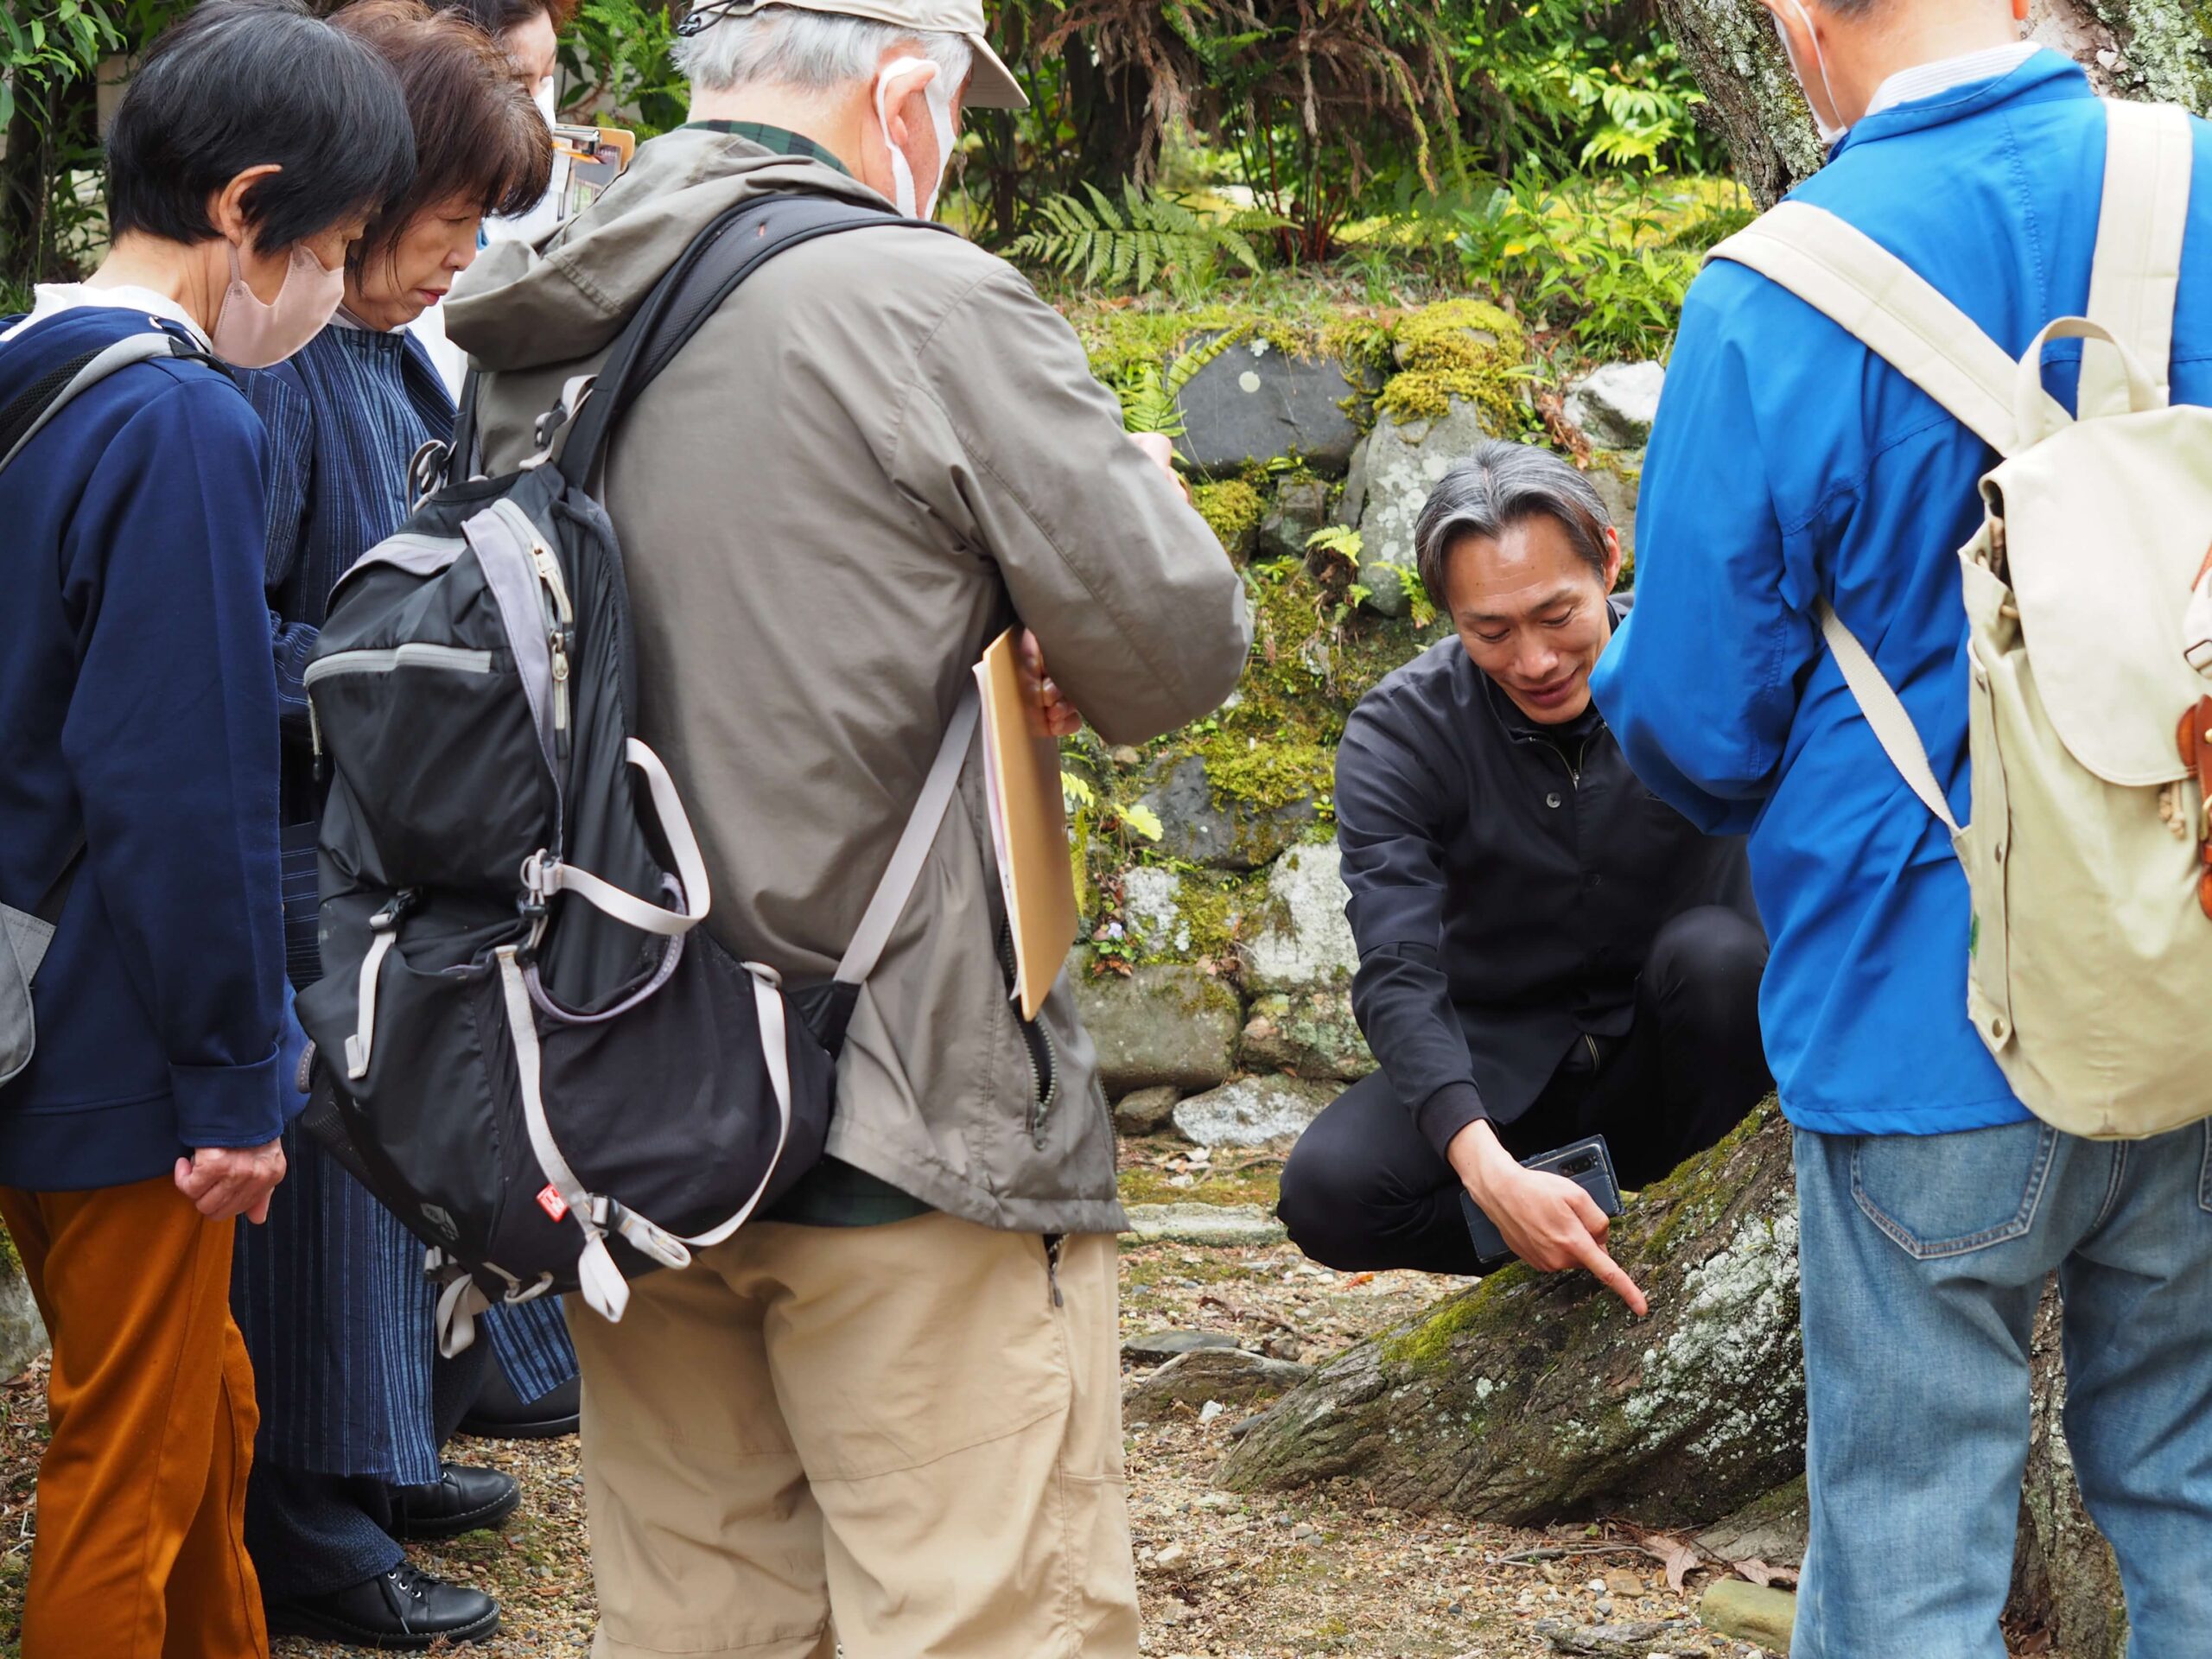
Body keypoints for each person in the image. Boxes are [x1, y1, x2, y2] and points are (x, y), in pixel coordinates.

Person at [443, 1, 1250, 1650]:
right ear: (901, 96)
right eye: (950, 118)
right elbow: (1172, 650)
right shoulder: (920, 297)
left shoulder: (535, 319)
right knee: (977, 1610)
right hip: (895, 1100)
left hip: (618, 1100)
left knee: (696, 1616)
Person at [1587, 0, 2212, 1649]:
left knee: (1911, 1540)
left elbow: (1696, 726)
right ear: (2023, 3)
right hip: (2197, 957)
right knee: (2196, 1488)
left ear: (1797, 31)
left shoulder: (1770, 296)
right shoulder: (2198, 183)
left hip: (1928, 999)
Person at [0, 5, 413, 1655]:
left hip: (31, 988)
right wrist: (239, 1074)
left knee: (200, 1407)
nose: (329, 291)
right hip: (122, 1032)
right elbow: (183, 781)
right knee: (131, 1457)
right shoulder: (178, 420)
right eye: (327, 248)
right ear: (246, 211)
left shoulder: (32, 379)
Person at [228, 3, 564, 1649]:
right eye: (452, 224)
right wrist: (396, 686)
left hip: (380, 830)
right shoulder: (274, 380)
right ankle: (309, 1505)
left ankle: (375, 1445)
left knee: (400, 1160)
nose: (461, 259)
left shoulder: (378, 350)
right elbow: (230, 643)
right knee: (321, 1174)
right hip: (298, 840)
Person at [1274, 442, 1768, 1310]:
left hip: (1695, 1052)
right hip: (1505, 1077)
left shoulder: (1709, 662)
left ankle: (1699, 1222)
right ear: (1448, 615)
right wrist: (1490, 1177)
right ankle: (1557, 1235)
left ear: (1609, 559)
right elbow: (1397, 964)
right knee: (1327, 1190)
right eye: (1490, 631)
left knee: (1719, 955)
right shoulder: (1401, 732)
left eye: (1557, 614)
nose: (1534, 660)